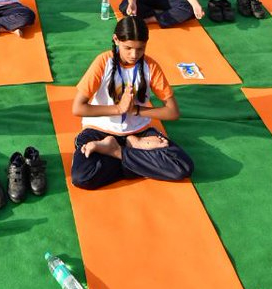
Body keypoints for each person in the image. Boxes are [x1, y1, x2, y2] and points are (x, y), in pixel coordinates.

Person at [69, 16, 193, 190]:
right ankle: (137, 159)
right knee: (82, 177)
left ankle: (118, 151)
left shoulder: (151, 66)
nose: (134, 55)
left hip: (139, 133)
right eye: (127, 48)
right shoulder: (103, 62)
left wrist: (136, 110)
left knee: (181, 166)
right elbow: (78, 108)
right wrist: (118, 108)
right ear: (116, 40)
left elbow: (172, 112)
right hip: (99, 132)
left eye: (140, 49)